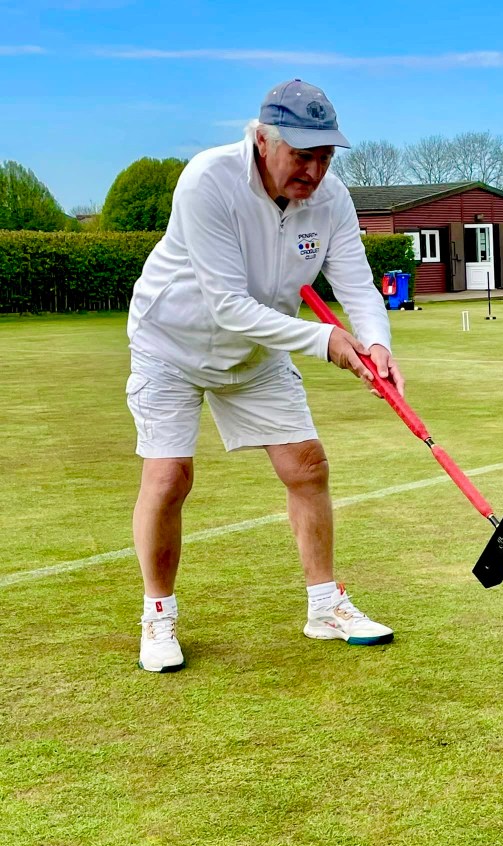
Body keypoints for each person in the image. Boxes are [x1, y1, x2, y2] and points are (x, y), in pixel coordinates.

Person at [126, 79, 404, 672]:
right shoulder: (209, 180)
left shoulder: (331, 199)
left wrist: (377, 345)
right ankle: (158, 616)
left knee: (307, 466)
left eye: (325, 157)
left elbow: (355, 281)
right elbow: (227, 304)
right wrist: (325, 339)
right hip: (171, 342)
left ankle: (325, 607)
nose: (313, 170)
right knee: (170, 477)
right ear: (262, 140)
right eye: (302, 155)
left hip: (258, 352)